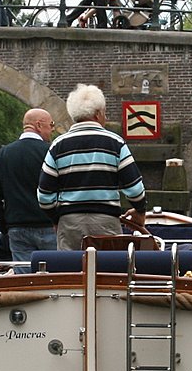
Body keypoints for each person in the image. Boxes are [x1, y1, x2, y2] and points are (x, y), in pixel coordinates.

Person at [37, 84, 146, 250]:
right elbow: (135, 188)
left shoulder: (58, 145)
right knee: (108, 265)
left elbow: (44, 196)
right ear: (98, 114)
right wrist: (140, 212)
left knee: (71, 267)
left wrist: (57, 218)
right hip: (106, 221)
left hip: (70, 223)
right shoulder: (115, 143)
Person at [0, 107, 57, 261]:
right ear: (39, 125)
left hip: (17, 227)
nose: (52, 129)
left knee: (24, 274)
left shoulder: (3, 154)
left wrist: (5, 225)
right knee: (55, 272)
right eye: (51, 125)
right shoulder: (51, 152)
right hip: (49, 226)